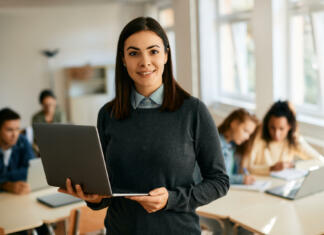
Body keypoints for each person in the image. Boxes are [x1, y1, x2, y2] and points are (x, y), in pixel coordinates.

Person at [58, 17, 229, 235]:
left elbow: (219, 181)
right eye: (134, 53)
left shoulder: (193, 111)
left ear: (166, 55)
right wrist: (95, 199)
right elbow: (105, 186)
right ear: (123, 59)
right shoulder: (108, 115)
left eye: (153, 51)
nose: (145, 61)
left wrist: (172, 199)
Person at [246, 100, 324, 175]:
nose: (276, 134)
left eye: (281, 129)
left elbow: (320, 161)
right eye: (272, 128)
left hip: (284, 185)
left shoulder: (294, 138)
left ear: (289, 126)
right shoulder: (259, 133)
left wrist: (292, 166)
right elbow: (247, 167)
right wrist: (270, 168)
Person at [218, 108, 258, 185]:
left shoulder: (231, 146)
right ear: (234, 123)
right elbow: (217, 178)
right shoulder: (216, 145)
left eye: (250, 134)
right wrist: (241, 179)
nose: (247, 137)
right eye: (245, 131)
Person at [0, 108, 35, 194]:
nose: (15, 134)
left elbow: (32, 170)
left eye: (17, 129)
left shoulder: (22, 141)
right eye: (9, 130)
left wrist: (3, 179)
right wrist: (6, 185)